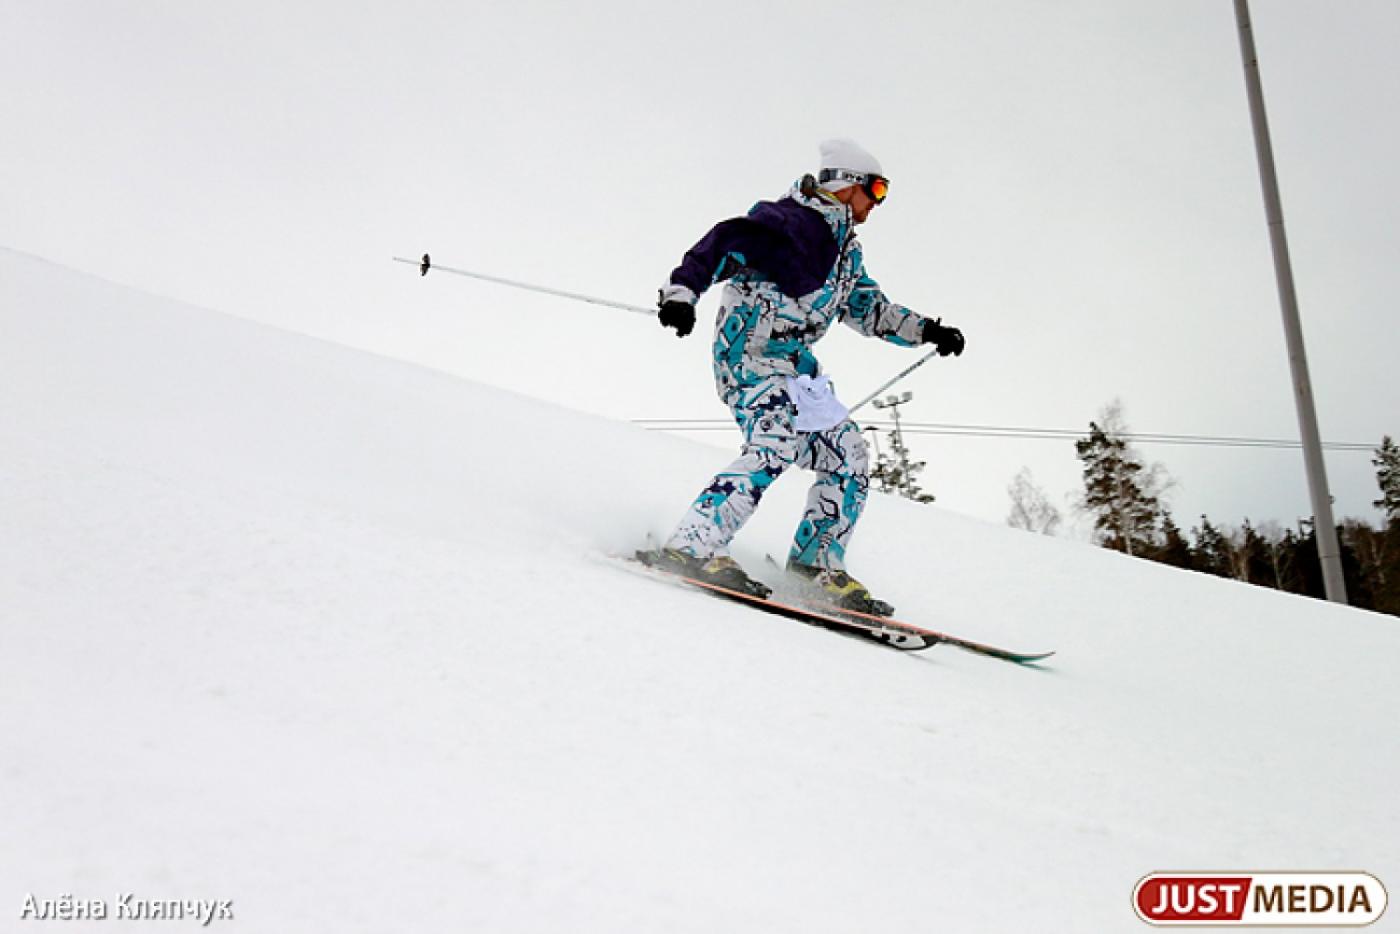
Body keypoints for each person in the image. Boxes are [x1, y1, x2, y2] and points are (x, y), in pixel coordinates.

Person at [644, 139, 965, 615]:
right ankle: (693, 545)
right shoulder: (785, 224)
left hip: (796, 373)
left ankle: (815, 565)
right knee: (775, 442)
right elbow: (722, 244)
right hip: (748, 360)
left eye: (883, 193)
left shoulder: (844, 253)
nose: (876, 203)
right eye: (874, 189)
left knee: (848, 453)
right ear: (846, 183)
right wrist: (682, 294)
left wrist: (926, 330)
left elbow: (869, 310)